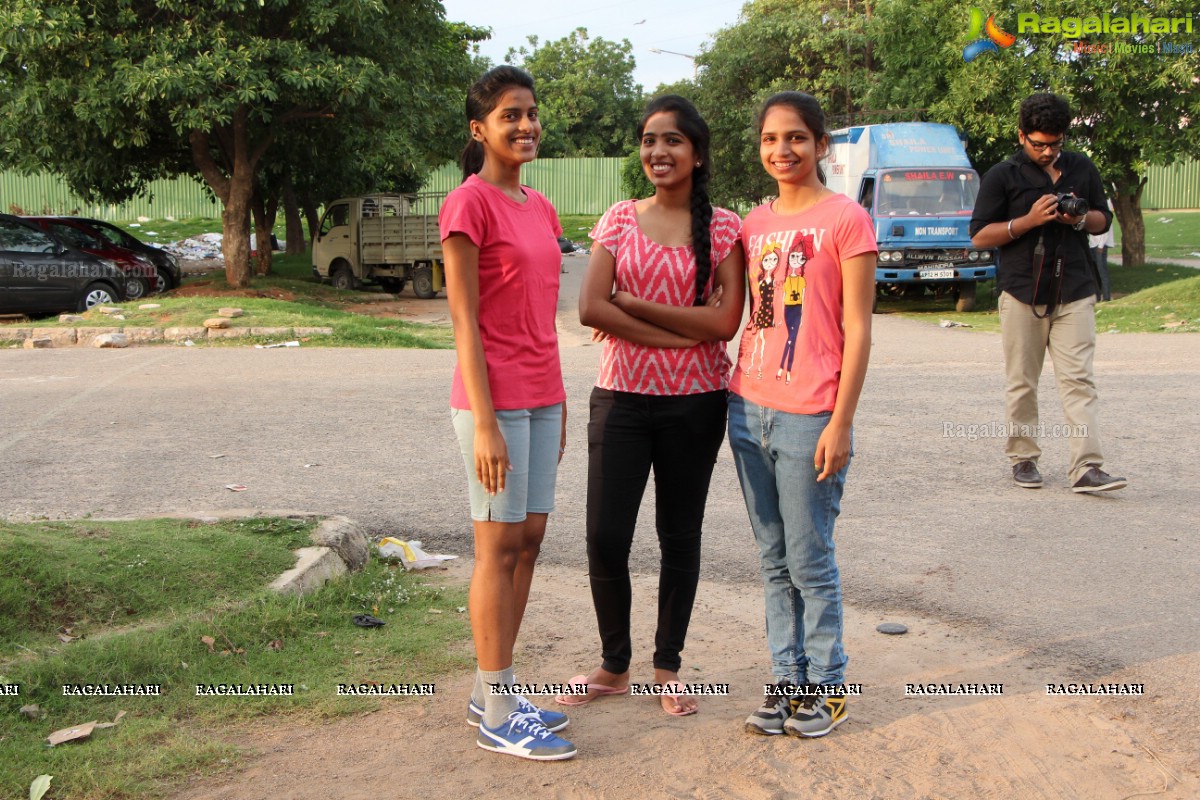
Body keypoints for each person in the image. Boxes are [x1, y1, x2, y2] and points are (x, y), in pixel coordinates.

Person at [562, 95, 744, 717]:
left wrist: (632, 305)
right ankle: (615, 664)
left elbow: (724, 321)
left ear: (696, 153)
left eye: (671, 141)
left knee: (679, 536)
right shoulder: (617, 219)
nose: (657, 152)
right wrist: (679, 333)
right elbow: (590, 308)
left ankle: (667, 667)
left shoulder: (723, 226)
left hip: (696, 404)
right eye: (648, 140)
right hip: (621, 399)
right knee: (604, 536)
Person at [728, 91, 876, 738]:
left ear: (821, 144)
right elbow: (721, 304)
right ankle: (787, 682)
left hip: (811, 414)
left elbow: (860, 328)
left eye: (795, 138)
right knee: (771, 556)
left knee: (810, 557)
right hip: (746, 409)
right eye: (769, 139)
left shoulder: (846, 219)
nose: (781, 150)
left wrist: (841, 422)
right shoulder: (750, 224)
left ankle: (828, 689)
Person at [439, 65, 576, 761]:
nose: (525, 126)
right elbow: (465, 323)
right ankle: (496, 707)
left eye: (531, 113)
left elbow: (540, 317)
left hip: (540, 395)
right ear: (479, 129)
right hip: (490, 405)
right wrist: (488, 422)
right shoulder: (468, 204)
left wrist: (557, 402)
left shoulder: (542, 207)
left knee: (528, 542)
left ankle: (494, 686)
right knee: (495, 547)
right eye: (509, 116)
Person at [970, 92, 1126, 493]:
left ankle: (1087, 467)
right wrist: (1027, 220)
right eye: (1038, 144)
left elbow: (1100, 220)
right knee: (1023, 379)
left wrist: (1077, 217)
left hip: (1074, 287)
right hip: (1022, 291)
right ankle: (1023, 457)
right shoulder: (1002, 175)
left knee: (1079, 380)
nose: (1047, 151)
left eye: (1054, 144)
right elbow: (979, 236)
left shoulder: (1081, 167)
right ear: (1021, 135)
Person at [1089, 199, 1116, 301]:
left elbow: (1105, 229)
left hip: (1100, 245)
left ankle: (1106, 297)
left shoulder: (1104, 203)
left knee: (1102, 272)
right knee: (1095, 272)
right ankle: (1097, 296)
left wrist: (1101, 245)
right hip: (1092, 243)